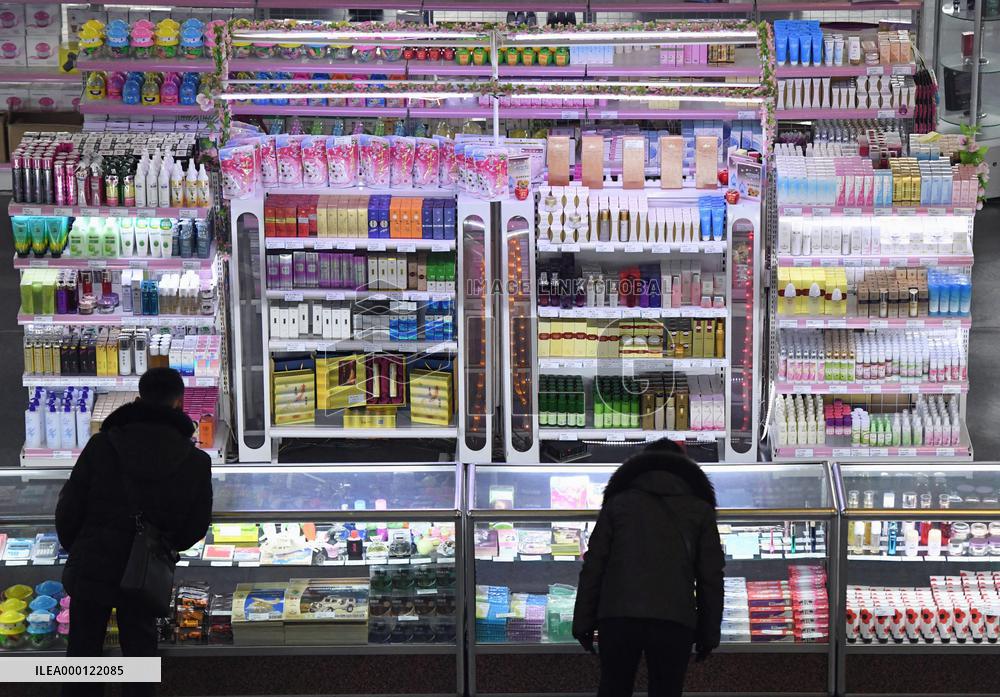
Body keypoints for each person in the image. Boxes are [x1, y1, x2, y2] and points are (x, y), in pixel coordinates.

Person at [56, 368, 213, 697]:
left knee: (82, 655)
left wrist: (80, 546)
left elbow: (69, 507)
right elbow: (195, 525)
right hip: (145, 572)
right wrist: (163, 547)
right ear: (179, 404)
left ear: (138, 399)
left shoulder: (102, 445)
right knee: (141, 657)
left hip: (93, 564)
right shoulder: (195, 461)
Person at [572, 440, 725, 697]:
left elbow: (594, 566)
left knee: (613, 688)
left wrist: (583, 622)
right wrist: (709, 633)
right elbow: (710, 576)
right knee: (667, 691)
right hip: (674, 619)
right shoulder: (699, 509)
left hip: (618, 617)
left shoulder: (618, 504)